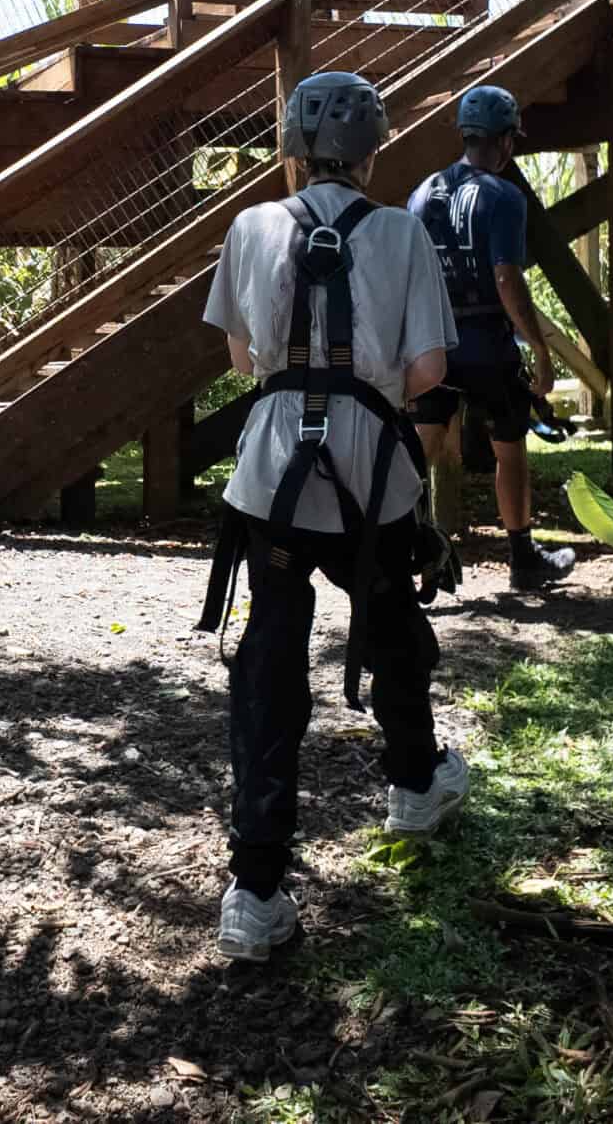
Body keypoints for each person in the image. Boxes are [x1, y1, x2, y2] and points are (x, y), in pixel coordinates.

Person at [198, 70, 472, 964]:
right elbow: (429, 371)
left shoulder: (249, 228)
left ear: (288, 150)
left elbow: (243, 358)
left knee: (269, 661)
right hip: (374, 475)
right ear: (373, 153)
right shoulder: (402, 231)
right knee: (391, 622)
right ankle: (413, 780)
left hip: (274, 470)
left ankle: (256, 885)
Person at [407, 84, 576, 592]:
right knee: (510, 446)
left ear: (464, 135)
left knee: (421, 449)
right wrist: (540, 350)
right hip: (485, 341)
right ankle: (523, 559)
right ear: (505, 142)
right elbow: (507, 278)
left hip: (433, 340)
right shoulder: (504, 196)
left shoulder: (423, 192)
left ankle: (417, 553)